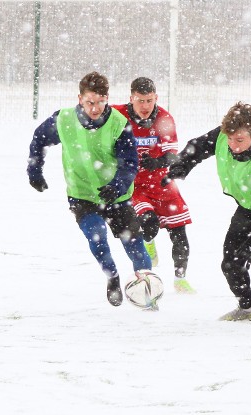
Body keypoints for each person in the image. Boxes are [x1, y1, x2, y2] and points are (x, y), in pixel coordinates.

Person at [164, 102, 251, 329]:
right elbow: (197, 147)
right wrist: (183, 165)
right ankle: (247, 307)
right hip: (250, 206)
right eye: (230, 139)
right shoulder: (222, 136)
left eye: (240, 140)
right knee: (230, 263)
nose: (233, 146)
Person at [27, 71, 152, 307]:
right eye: (89, 103)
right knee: (97, 238)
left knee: (134, 245)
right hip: (82, 194)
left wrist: (116, 186)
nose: (95, 109)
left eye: (100, 102)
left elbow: (130, 163)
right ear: (79, 99)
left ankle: (148, 289)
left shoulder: (118, 124)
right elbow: (39, 138)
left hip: (117, 197)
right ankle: (112, 276)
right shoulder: (63, 119)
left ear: (107, 98)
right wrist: (35, 171)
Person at [111, 77, 195, 294]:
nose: (145, 106)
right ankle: (149, 242)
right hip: (135, 187)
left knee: (179, 232)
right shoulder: (118, 115)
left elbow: (173, 157)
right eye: (140, 101)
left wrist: (158, 162)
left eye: (149, 100)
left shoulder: (164, 119)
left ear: (156, 98)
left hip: (163, 185)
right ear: (131, 99)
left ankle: (180, 279)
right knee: (149, 223)